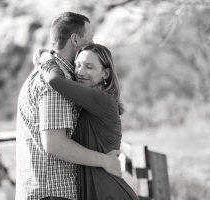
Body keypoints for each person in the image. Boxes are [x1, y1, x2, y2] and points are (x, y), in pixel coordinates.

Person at [16, 12, 121, 200]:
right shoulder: (56, 83)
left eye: (89, 67)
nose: (92, 43)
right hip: (54, 192)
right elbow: (55, 144)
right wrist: (106, 161)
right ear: (75, 39)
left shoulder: (51, 76)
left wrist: (45, 55)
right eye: (89, 39)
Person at [38, 43, 139, 200]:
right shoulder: (89, 103)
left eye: (89, 67)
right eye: (77, 65)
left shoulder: (101, 99)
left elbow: (55, 80)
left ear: (105, 73)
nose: (81, 72)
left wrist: (44, 56)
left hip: (109, 193)